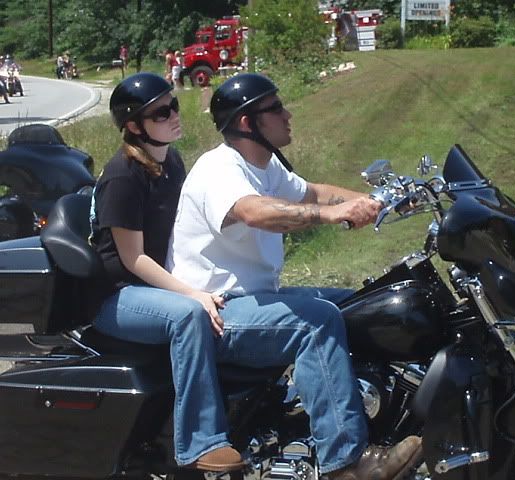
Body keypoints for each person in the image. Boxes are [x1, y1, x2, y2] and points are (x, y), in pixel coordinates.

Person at [165, 72, 423, 480]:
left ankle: (385, 413)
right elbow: (256, 212)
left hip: (255, 299)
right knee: (317, 322)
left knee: (363, 303)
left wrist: (380, 200)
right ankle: (347, 463)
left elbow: (312, 193)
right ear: (247, 122)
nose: (288, 115)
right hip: (217, 312)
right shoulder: (219, 168)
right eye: (276, 109)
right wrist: (332, 215)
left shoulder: (264, 165)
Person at [89, 72, 245, 473]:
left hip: (153, 286)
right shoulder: (123, 175)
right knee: (189, 315)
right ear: (134, 126)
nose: (174, 115)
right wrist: (191, 294)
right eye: (160, 112)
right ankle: (200, 442)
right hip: (117, 295)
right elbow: (133, 259)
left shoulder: (171, 161)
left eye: (173, 105)